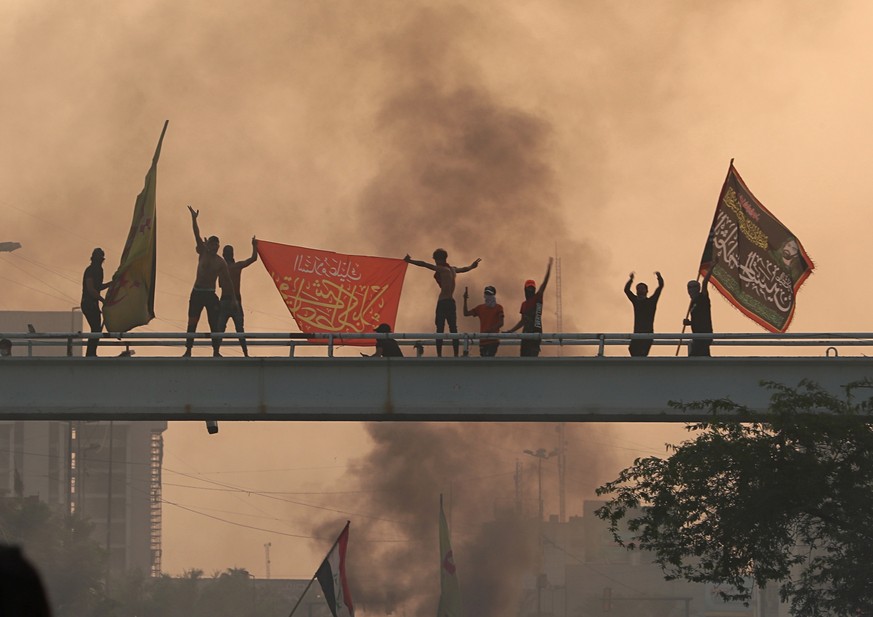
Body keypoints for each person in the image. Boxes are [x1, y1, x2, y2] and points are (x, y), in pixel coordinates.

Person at [404, 249, 481, 357]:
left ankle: (439, 355)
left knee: (440, 329)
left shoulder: (441, 269)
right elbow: (464, 269)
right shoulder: (452, 269)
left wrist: (410, 261)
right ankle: (455, 354)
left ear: (437, 259)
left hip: (443, 301)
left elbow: (424, 264)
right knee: (453, 329)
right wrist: (472, 266)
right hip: (451, 302)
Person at [184, 206, 236, 357]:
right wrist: (194, 219)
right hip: (197, 292)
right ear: (208, 245)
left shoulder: (220, 262)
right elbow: (196, 234)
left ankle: (216, 351)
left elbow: (228, 281)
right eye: (212, 245)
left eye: (216, 245)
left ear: (218, 246)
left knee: (214, 324)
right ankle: (188, 349)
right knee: (192, 322)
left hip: (210, 294)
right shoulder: (203, 252)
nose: (214, 248)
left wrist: (233, 298)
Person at [216, 236, 258, 357]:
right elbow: (253, 258)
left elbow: (219, 285)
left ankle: (217, 351)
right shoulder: (235, 266)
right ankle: (245, 353)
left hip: (226, 301)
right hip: (233, 302)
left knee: (221, 329)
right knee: (238, 329)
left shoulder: (222, 268)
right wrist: (254, 246)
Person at [505, 258, 553, 357]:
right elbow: (522, 321)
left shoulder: (538, 298)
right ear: (525, 290)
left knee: (533, 357)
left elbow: (544, 284)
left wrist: (548, 270)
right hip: (526, 334)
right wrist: (511, 330)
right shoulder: (524, 304)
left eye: (532, 288)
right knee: (523, 357)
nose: (530, 290)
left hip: (536, 332)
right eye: (529, 288)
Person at [624, 271, 664, 357]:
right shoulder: (636, 301)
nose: (640, 291)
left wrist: (659, 277)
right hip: (637, 333)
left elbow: (660, 287)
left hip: (648, 334)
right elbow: (626, 290)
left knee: (642, 355)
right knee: (632, 350)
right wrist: (631, 280)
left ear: (646, 291)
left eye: (642, 289)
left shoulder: (651, 301)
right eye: (638, 289)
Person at [81, 248, 111, 357]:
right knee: (96, 329)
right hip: (88, 303)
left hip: (93, 303)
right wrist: (102, 300)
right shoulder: (90, 270)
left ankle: (92, 353)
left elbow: (98, 287)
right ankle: (90, 354)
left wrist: (111, 284)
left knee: (96, 329)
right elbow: (91, 289)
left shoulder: (99, 270)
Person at [463, 285, 504, 357]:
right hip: (483, 341)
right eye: (486, 294)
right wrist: (465, 299)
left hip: (493, 340)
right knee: (484, 361)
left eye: (490, 294)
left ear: (494, 295)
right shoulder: (480, 308)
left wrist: (490, 330)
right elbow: (466, 313)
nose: (488, 296)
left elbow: (501, 323)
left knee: (489, 360)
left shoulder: (498, 308)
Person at [684, 265, 715, 357]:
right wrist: (689, 323)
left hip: (705, 334)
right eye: (689, 288)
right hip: (696, 336)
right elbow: (697, 319)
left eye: (693, 287)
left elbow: (705, 282)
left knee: (693, 357)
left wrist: (711, 267)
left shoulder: (703, 298)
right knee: (704, 356)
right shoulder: (692, 303)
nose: (691, 290)